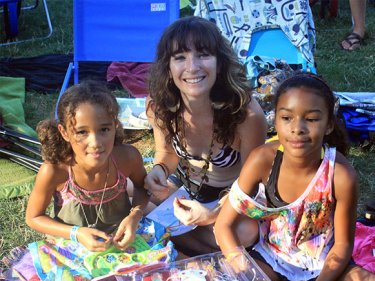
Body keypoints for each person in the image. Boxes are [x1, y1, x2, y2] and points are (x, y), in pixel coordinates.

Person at [215, 73, 375, 281]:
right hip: (272, 259)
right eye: (286, 118)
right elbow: (224, 224)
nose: (297, 128)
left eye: (311, 119)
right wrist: (241, 267)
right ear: (276, 120)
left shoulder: (341, 175)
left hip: (327, 265)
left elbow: (342, 245)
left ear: (329, 124)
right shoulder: (262, 160)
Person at [144, 16, 268, 255]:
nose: (192, 67)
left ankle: (167, 236)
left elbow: (250, 182)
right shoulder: (157, 105)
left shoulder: (246, 114)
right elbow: (166, 153)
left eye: (203, 55)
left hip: (229, 193)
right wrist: (158, 169)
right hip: (181, 187)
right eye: (180, 57)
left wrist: (213, 214)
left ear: (219, 63)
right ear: (167, 68)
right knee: (128, 195)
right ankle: (197, 241)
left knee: (247, 232)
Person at [26, 80, 148, 252]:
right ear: (64, 132)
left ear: (115, 125)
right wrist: (76, 233)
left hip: (123, 242)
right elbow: (33, 217)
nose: (95, 142)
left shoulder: (127, 158)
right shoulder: (55, 171)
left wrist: (135, 216)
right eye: (82, 132)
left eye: (104, 130)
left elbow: (143, 188)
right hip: (72, 246)